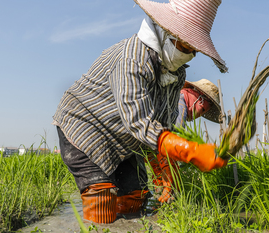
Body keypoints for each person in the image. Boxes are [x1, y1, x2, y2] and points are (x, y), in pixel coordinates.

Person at [52, 0, 228, 224]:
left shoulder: (177, 75)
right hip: (86, 128)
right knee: (103, 206)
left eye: (194, 50)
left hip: (125, 140)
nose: (190, 55)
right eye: (185, 46)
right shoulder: (132, 58)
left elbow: (162, 125)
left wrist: (165, 174)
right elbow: (138, 122)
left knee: (136, 201)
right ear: (164, 32)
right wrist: (190, 150)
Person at [148, 78, 222, 203]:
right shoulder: (180, 101)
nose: (198, 115)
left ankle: (160, 200)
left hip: (145, 142)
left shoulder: (173, 96)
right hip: (159, 145)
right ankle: (169, 200)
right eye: (202, 110)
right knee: (169, 169)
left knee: (157, 176)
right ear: (199, 99)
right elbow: (175, 138)